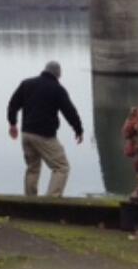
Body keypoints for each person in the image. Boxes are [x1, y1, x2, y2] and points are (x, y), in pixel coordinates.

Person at [7, 60, 84, 197]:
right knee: (61, 166)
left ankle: (30, 201)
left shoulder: (27, 84)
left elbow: (13, 104)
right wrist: (78, 130)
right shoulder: (57, 89)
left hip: (26, 134)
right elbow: (70, 112)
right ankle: (51, 200)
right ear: (58, 74)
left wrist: (12, 124)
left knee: (32, 169)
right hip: (44, 135)